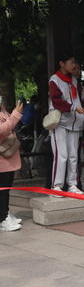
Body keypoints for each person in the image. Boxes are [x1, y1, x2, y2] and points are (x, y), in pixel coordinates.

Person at [49, 52, 84, 195]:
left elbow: (75, 100)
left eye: (74, 62)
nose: (74, 65)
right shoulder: (55, 80)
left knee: (73, 155)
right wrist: (73, 108)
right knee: (61, 155)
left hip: (75, 123)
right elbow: (56, 100)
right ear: (62, 63)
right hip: (60, 122)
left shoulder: (74, 81)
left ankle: (72, 184)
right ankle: (57, 186)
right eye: (71, 62)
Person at [0, 99, 24, 231]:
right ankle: (3, 220)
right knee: (2, 190)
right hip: (1, 158)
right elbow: (2, 130)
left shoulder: (1, 107)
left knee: (5, 188)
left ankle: (5, 213)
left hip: (6, 155)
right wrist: (16, 114)